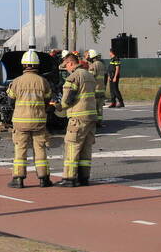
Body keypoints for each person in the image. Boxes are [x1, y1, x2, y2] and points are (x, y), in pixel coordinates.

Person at [6, 49, 54, 188]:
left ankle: (18, 179)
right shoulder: (43, 82)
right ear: (37, 65)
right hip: (39, 121)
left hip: (20, 122)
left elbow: (10, 102)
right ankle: (44, 179)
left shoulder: (16, 82)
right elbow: (47, 100)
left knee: (20, 149)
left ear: (23, 65)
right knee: (40, 149)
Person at [53, 52, 98, 187]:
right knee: (86, 148)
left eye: (66, 66)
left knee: (72, 146)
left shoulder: (73, 77)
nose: (66, 69)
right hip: (91, 117)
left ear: (70, 63)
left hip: (78, 117)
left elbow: (67, 100)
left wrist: (57, 106)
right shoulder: (89, 75)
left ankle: (69, 178)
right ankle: (84, 177)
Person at [86, 49, 107, 127]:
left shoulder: (94, 65)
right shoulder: (101, 64)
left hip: (95, 89)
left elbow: (90, 76)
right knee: (100, 107)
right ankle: (99, 122)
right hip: (101, 89)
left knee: (94, 107)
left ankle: (94, 122)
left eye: (89, 56)